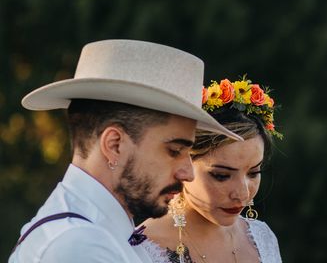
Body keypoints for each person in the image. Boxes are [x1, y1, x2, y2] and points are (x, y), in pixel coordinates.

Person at [10, 39, 241, 263]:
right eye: (174, 150)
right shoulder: (79, 246)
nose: (188, 173)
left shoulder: (101, 232)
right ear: (114, 145)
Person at [140, 76, 283, 263]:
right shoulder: (143, 249)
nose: (242, 193)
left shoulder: (261, 237)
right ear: (182, 162)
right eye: (221, 176)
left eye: (253, 173)